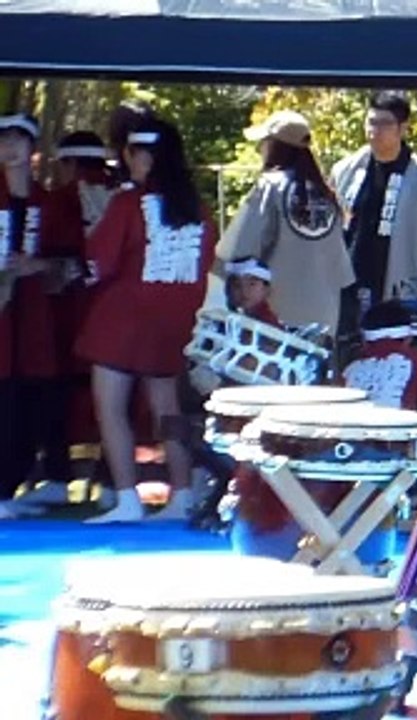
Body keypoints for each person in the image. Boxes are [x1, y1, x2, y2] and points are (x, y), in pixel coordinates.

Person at [75, 119, 217, 523]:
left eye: (133, 152)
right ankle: (183, 494)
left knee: (112, 408)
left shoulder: (125, 203)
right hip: (174, 322)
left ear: (148, 157)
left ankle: (126, 498)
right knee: (167, 411)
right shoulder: (199, 210)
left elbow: (97, 261)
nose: (127, 160)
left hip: (122, 320)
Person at [3, 131, 115, 515]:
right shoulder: (120, 197)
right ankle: (104, 478)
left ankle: (57, 473)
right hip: (101, 317)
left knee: (52, 399)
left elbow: (70, 261)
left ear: (66, 163)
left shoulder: (59, 200)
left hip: (61, 318)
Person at [332, 92, 417, 333]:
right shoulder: (346, 171)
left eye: (384, 124)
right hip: (349, 282)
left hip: (400, 281)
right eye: (371, 122)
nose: (375, 131)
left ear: (403, 129)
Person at [216, 110, 354, 336]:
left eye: (264, 142)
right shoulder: (327, 195)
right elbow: (341, 270)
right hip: (323, 318)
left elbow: (235, 250)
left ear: (275, 146)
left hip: (275, 317)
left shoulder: (269, 187)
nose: (260, 148)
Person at [0, 112, 59, 517]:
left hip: (33, 313)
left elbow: (68, 262)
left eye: (19, 140)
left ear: (33, 150)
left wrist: (35, 266)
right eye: (4, 140)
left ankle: (10, 486)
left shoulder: (47, 202)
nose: (10, 148)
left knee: (25, 400)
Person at [341, 300, 417, 433]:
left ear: (365, 339)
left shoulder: (350, 367)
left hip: (348, 445)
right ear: (408, 337)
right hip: (399, 444)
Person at [224, 256, 280, 326]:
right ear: (227, 290)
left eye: (252, 284)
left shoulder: (269, 325)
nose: (244, 291)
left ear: (266, 290)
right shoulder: (222, 319)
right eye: (237, 285)